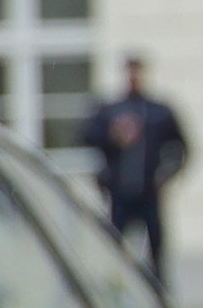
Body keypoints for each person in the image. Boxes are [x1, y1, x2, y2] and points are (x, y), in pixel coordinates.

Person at [79, 54, 187, 284]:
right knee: (114, 249)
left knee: (156, 250)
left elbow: (181, 148)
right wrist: (113, 135)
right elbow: (86, 136)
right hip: (120, 193)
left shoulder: (158, 112)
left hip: (149, 192)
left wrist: (165, 176)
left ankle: (159, 293)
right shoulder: (111, 110)